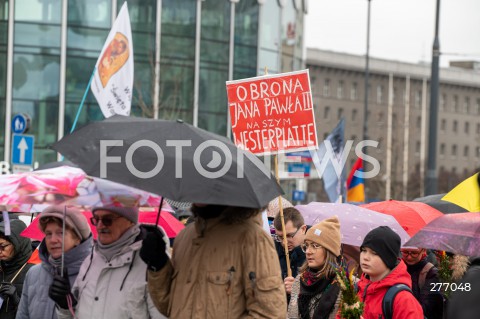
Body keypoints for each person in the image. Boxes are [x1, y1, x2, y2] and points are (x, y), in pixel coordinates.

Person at [140, 204, 287, 318]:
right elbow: (170, 307)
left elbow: (270, 313)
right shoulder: (185, 237)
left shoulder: (253, 238)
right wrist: (158, 265)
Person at [49, 206, 168, 319]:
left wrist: (160, 266)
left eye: (107, 220)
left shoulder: (153, 263)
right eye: (96, 219)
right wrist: (65, 305)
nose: (100, 226)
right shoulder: (89, 260)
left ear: (130, 221)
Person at [17, 205, 93, 319]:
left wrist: (68, 307)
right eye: (48, 234)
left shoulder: (95, 274)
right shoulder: (33, 273)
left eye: (60, 233)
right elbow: (23, 315)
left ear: (77, 238)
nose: (52, 240)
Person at [357, 226, 424, 319]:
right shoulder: (357, 289)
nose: (365, 257)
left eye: (374, 253)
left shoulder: (403, 300)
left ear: (388, 258)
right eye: (364, 250)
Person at [286, 216, 342, 319]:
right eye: (306, 246)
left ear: (330, 251)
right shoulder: (300, 280)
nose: (308, 251)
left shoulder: (345, 285)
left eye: (315, 246)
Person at [0, 219, 34, 319]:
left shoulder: (32, 272)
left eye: (3, 246)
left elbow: (38, 313)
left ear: (17, 244)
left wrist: (17, 300)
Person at [401, 247, 444, 319]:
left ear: (423, 250)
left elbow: (426, 306)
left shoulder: (431, 273)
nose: (409, 257)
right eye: (405, 252)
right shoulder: (397, 268)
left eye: (414, 253)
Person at [273, 207, 308, 281]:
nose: (284, 242)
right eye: (280, 237)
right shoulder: (273, 250)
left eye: (289, 236)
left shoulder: (317, 252)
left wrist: (296, 289)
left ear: (303, 229)